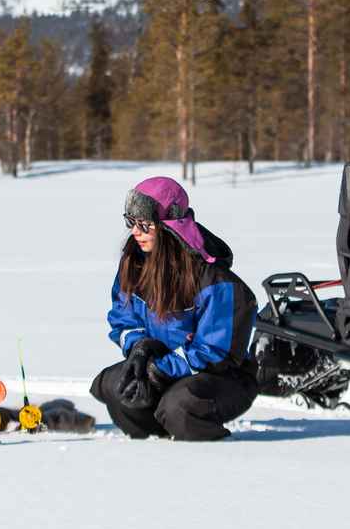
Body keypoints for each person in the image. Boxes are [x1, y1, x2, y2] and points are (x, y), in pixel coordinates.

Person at [90, 176, 259, 441]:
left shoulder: (214, 280)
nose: (136, 232)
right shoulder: (134, 265)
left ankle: (217, 448)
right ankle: (157, 437)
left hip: (222, 377)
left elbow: (214, 352)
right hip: (165, 366)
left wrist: (159, 370)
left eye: (145, 224)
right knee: (117, 385)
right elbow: (123, 319)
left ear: (170, 227)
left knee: (179, 406)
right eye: (131, 222)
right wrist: (139, 349)